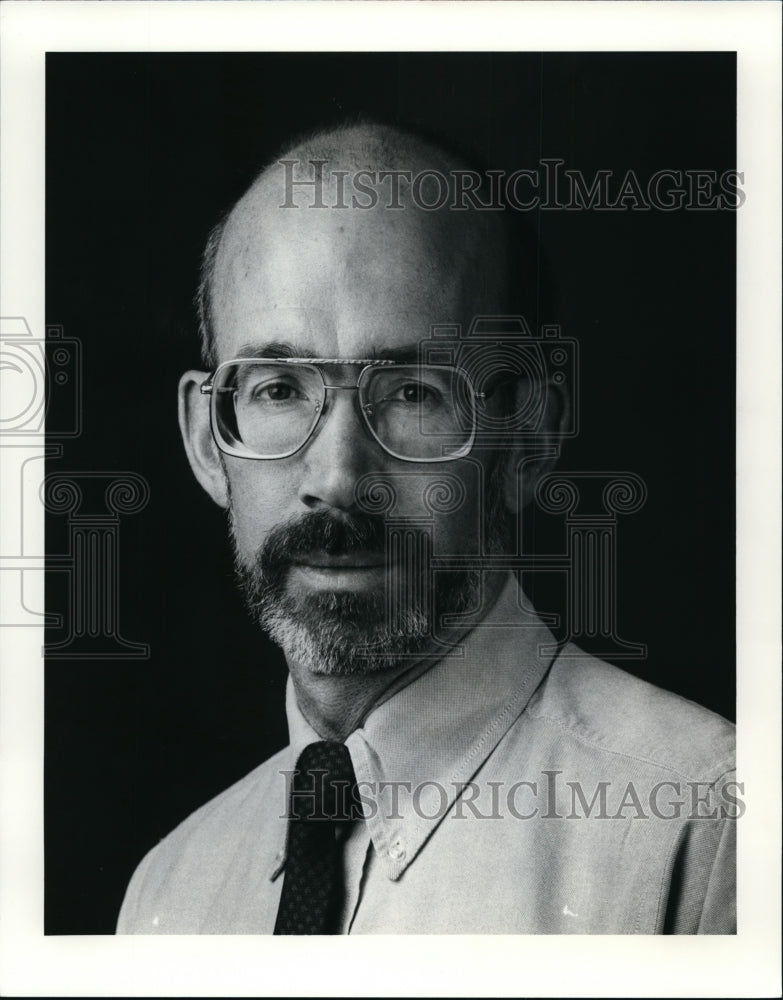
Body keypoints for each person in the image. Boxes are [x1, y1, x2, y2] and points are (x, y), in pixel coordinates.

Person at [117, 122, 736, 935]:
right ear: (206, 441)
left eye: (412, 392)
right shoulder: (168, 894)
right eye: (277, 389)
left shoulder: (707, 830)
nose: (336, 478)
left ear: (529, 433)